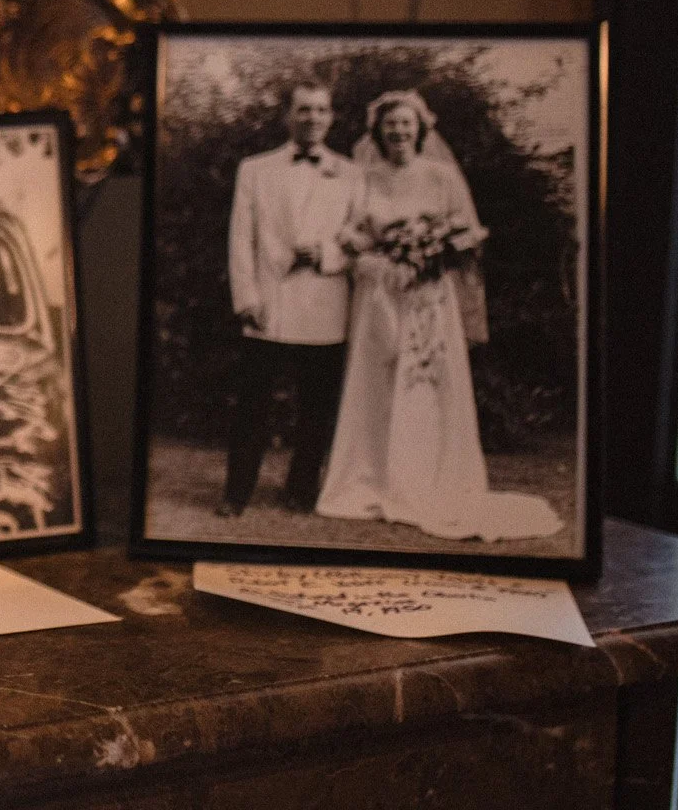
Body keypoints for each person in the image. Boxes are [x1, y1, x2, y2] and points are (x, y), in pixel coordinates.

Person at [315, 90, 561, 540]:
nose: (399, 131)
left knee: (426, 383)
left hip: (429, 296)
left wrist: (430, 254)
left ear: (422, 128)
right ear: (378, 130)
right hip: (378, 295)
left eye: (407, 123)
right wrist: (374, 256)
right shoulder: (362, 177)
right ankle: (373, 478)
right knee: (377, 381)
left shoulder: (442, 176)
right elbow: (350, 232)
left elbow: (468, 234)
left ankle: (430, 480)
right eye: (391, 124)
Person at [220, 80, 362, 518]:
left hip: (324, 302)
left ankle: (300, 489)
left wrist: (327, 255)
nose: (312, 118)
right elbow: (241, 239)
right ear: (288, 116)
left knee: (317, 407)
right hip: (270, 304)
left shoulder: (351, 173)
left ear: (331, 117)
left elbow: (359, 239)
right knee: (253, 405)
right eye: (304, 110)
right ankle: (236, 492)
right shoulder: (255, 169)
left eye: (321, 110)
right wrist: (246, 297)